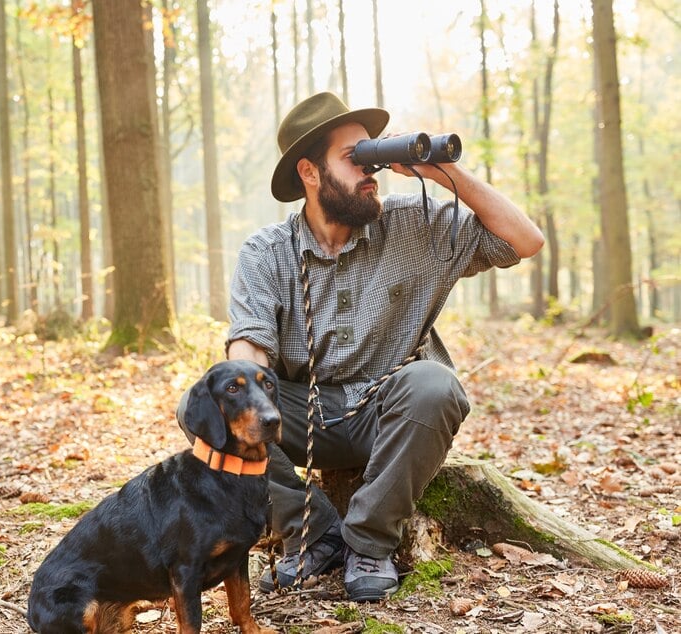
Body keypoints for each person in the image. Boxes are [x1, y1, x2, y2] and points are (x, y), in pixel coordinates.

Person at [178, 92, 544, 602]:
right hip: (301, 414)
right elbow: (249, 347)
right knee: (217, 397)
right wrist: (237, 394)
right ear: (309, 172)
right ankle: (311, 532)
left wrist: (444, 175)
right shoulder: (266, 252)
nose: (370, 171)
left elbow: (523, 241)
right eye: (355, 158)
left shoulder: (413, 225)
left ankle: (369, 543)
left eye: (372, 154)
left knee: (435, 385)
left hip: (389, 411)